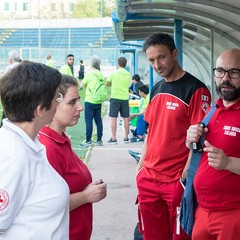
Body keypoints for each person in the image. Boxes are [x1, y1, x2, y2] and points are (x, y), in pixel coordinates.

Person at [136, 33, 211, 240]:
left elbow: (199, 139)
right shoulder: (157, 88)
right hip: (148, 179)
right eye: (151, 60)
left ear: (174, 54)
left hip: (175, 182)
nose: (157, 65)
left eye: (161, 57)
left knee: (180, 237)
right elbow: (152, 131)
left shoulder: (196, 90)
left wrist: (184, 178)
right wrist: (141, 166)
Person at [0, 61, 69, 239]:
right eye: (57, 98)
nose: (58, 103)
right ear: (40, 109)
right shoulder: (14, 157)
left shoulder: (27, 144)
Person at [38, 74, 107, 240]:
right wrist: (85, 196)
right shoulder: (47, 146)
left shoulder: (60, 138)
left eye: (78, 100)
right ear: (52, 105)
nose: (80, 107)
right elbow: (45, 206)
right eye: (72, 102)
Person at [185, 48, 240, 240]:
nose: (225, 78)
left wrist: (228, 163)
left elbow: (224, 159)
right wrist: (190, 139)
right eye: (220, 71)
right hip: (202, 210)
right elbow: (200, 150)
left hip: (233, 214)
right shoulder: (213, 109)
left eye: (233, 72)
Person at [79, 55, 105, 147]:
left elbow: (81, 85)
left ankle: (88, 140)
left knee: (88, 121)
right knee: (98, 120)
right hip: (98, 100)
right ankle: (99, 140)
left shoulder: (90, 74)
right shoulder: (100, 74)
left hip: (90, 100)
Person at [106, 56, 131, 143]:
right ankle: (126, 137)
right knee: (126, 118)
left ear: (118, 63)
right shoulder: (128, 74)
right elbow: (128, 84)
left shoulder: (114, 73)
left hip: (115, 97)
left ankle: (113, 138)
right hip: (125, 98)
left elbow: (107, 82)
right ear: (125, 64)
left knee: (114, 118)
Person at [1, 50, 21, 127]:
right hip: (21, 95)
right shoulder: (22, 67)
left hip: (11, 95)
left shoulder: (9, 68)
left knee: (7, 114)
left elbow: (4, 81)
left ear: (10, 59)